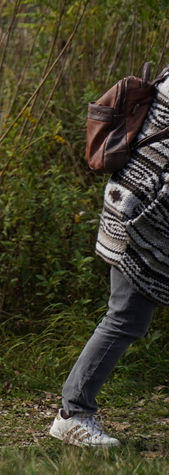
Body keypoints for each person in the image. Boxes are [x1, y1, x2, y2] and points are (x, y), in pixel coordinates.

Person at [49, 72, 169, 448]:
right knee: (126, 317)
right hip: (144, 214)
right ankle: (73, 414)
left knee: (125, 316)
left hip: (142, 205)